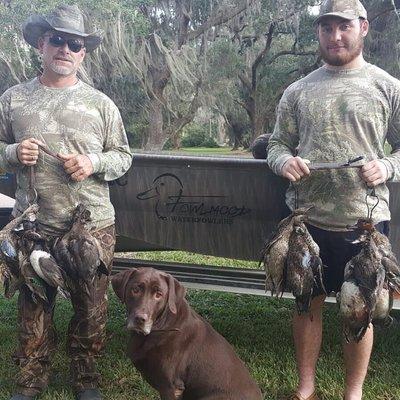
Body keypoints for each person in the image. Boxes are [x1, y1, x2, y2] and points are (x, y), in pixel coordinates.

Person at [267, 1, 400, 399]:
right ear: (319, 33)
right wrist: (284, 161)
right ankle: (305, 388)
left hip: (365, 225)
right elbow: (276, 144)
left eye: (343, 27)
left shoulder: (388, 87)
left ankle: (353, 393)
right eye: (327, 28)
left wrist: (387, 167)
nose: (335, 36)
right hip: (306, 221)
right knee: (306, 305)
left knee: (359, 310)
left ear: (362, 28)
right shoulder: (298, 90)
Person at [0, 5, 132, 400]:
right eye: (57, 40)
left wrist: (93, 161)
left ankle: (86, 381)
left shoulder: (100, 104)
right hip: (34, 227)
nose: (65, 49)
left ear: (83, 53)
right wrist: (11, 153)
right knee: (34, 310)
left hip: (91, 228)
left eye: (75, 44)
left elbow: (123, 157)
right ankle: (30, 382)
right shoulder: (13, 100)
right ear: (41, 44)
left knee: (91, 311)